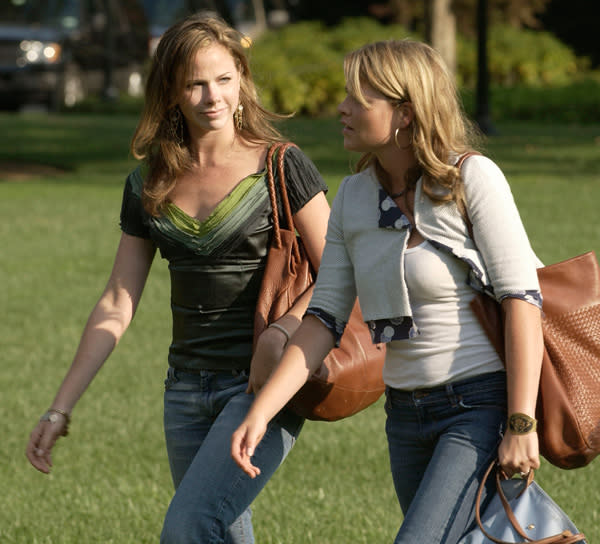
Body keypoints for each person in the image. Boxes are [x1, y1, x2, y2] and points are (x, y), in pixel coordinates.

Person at [26, 13, 330, 544]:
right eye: (194, 82)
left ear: (242, 82)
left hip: (262, 384)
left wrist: (283, 332)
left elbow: (342, 275)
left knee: (189, 527)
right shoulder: (149, 183)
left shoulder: (282, 166)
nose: (212, 95)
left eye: (223, 79)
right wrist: (60, 407)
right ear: (170, 91)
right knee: (222, 532)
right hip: (184, 391)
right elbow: (118, 301)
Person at [232, 39, 544, 543]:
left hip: (478, 407)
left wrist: (521, 423)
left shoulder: (471, 179)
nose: (342, 108)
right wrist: (261, 412)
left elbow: (522, 301)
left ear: (403, 112)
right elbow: (324, 319)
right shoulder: (355, 196)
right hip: (404, 417)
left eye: (359, 98)